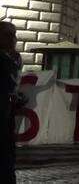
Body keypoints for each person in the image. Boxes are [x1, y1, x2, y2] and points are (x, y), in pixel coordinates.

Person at [1, 21, 21, 183]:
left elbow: (12, 86)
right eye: (8, 35)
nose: (14, 39)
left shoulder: (12, 58)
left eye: (14, 35)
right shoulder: (6, 60)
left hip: (7, 115)